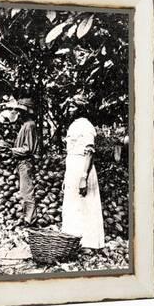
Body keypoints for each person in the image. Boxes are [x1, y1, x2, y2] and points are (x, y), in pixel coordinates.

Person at [61, 94, 105, 249]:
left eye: (73, 107)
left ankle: (89, 243)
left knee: (85, 204)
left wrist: (83, 177)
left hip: (81, 167)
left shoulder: (86, 126)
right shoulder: (74, 125)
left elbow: (89, 152)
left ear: (81, 109)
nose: (70, 110)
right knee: (74, 205)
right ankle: (74, 240)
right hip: (73, 167)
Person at [6, 98, 39, 225]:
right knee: (24, 191)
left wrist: (11, 151)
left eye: (21, 111)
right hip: (22, 163)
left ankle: (30, 220)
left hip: (26, 162)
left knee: (27, 192)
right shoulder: (25, 125)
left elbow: (28, 149)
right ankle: (28, 218)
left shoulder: (29, 125)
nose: (19, 113)